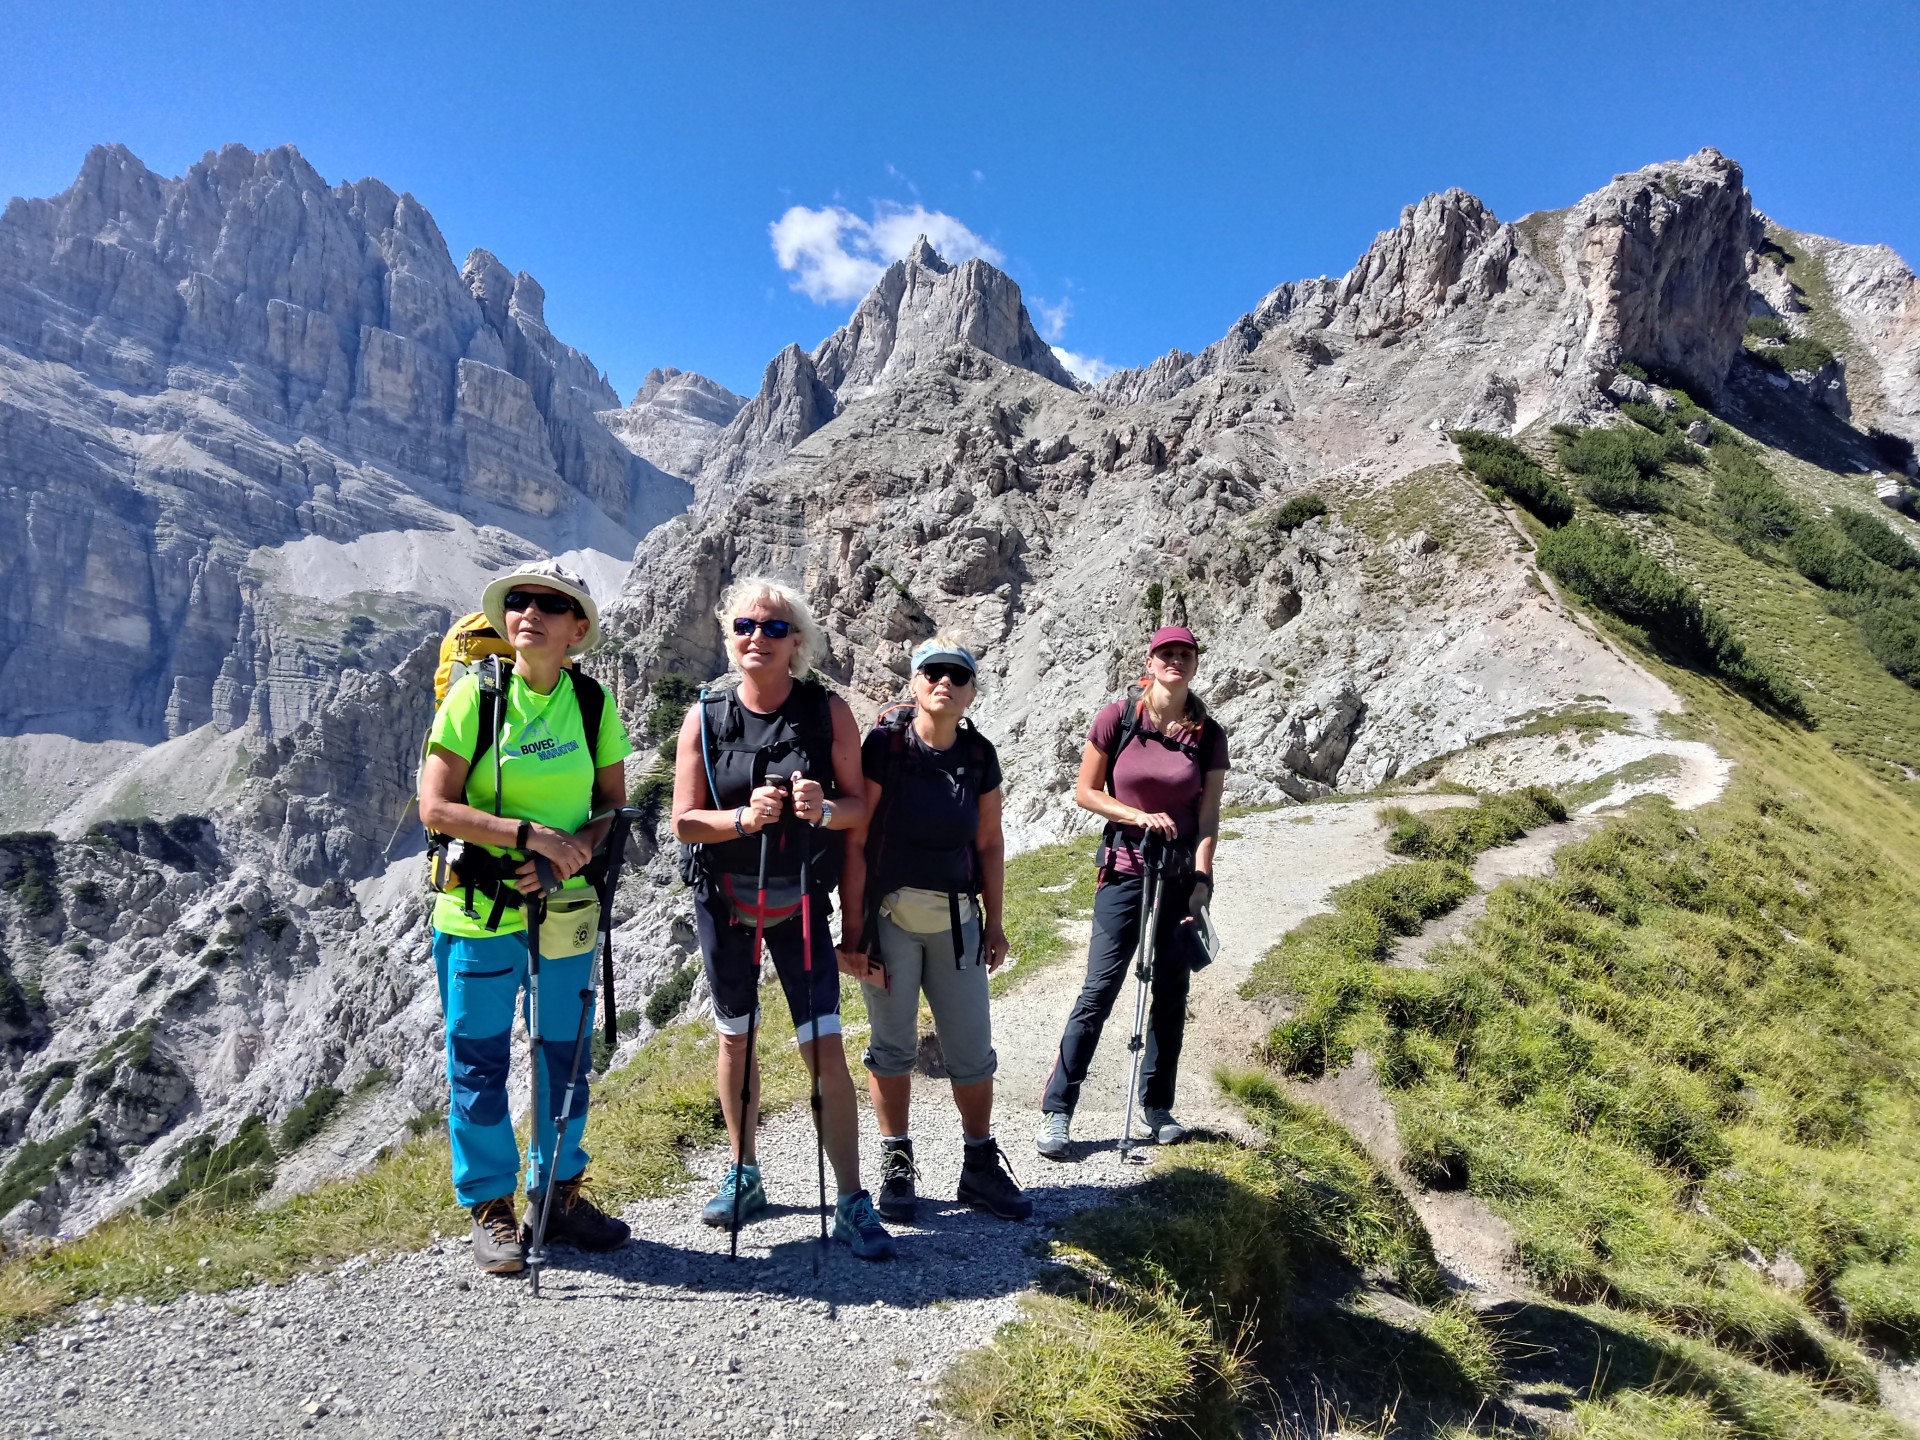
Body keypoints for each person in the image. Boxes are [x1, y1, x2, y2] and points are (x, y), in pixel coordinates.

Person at [417, 559, 635, 1276]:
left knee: (564, 1057)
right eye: (517, 603)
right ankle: (491, 1208)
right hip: (477, 909)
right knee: (478, 1061)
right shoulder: (474, 700)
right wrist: (528, 839)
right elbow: (436, 808)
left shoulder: (593, 704)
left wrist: (565, 860)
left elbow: (610, 808)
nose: (527, 613)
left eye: (549, 604)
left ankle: (558, 1197)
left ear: (577, 629)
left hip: (564, 906)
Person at [669, 577, 896, 1260]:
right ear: (729, 634)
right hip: (726, 900)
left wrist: (820, 810)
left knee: (822, 1042)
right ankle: (745, 1172)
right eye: (745, 625)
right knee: (735, 1037)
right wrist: (743, 818)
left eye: (773, 628)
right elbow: (684, 821)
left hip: (797, 898)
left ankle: (853, 1199)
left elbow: (861, 808)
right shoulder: (703, 717)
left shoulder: (829, 713)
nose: (756, 638)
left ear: (797, 641)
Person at [837, 636, 1030, 1224]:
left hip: (958, 920)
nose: (944, 682)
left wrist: (996, 922)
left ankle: (978, 1165)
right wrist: (852, 932)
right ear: (916, 682)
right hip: (888, 918)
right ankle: (897, 1163)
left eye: (957, 675)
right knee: (891, 1045)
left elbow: (990, 842)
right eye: (933, 672)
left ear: (972, 690)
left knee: (971, 1050)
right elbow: (858, 839)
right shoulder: (886, 749)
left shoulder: (979, 757)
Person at [1036, 624, 1229, 1159]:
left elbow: (1209, 816)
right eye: (1167, 652)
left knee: (1171, 991)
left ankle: (1157, 1105)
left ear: (1195, 663)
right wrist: (1139, 816)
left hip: (1178, 875)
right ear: (1151, 660)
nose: (1176, 661)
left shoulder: (1209, 734)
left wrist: (1203, 881)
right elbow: (1086, 792)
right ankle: (1057, 1109)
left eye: (1185, 654)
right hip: (1123, 868)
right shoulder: (1118, 718)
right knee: (1099, 988)